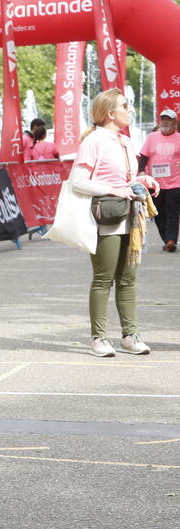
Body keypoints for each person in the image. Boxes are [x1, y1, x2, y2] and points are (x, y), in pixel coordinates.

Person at [70, 90, 161, 356]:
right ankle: (98, 338)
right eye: (125, 106)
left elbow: (125, 178)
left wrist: (142, 180)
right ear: (110, 113)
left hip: (131, 216)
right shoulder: (94, 141)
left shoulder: (124, 141)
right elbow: (78, 181)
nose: (129, 110)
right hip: (107, 218)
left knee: (128, 279)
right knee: (103, 279)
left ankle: (129, 335)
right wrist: (113, 190)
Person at [138, 107, 180, 251]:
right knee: (158, 213)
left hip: (175, 182)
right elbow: (143, 156)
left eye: (169, 119)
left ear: (175, 122)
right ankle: (166, 238)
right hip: (155, 183)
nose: (165, 122)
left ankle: (171, 240)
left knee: (173, 212)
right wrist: (142, 171)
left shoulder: (179, 138)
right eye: (163, 119)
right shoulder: (152, 138)